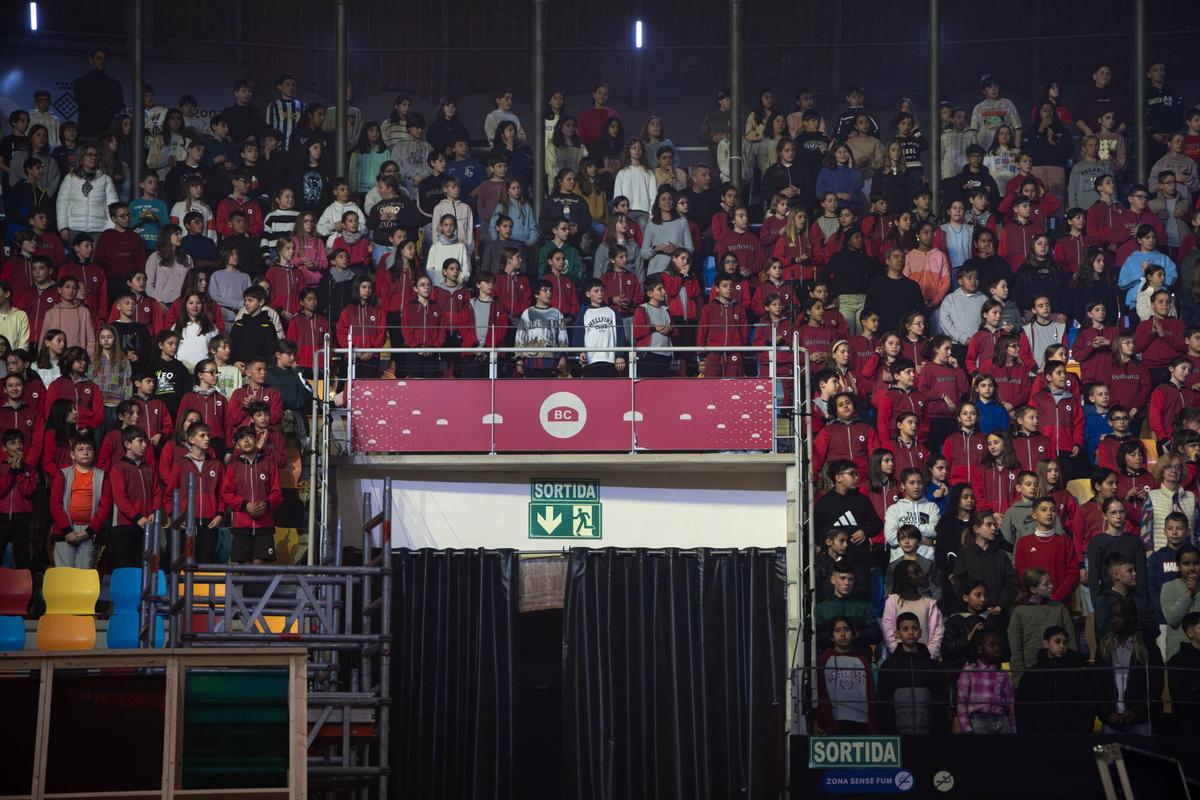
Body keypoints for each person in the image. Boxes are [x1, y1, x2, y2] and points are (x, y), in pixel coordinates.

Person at [1095, 596, 1164, 734]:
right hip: (1111, 721)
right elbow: (1097, 685)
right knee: (1111, 756)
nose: (1115, 620)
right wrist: (1107, 713)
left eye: (1120, 616)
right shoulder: (1104, 648)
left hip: (1141, 721)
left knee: (1141, 756)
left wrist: (1136, 712)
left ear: (1131, 618)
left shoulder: (1148, 647)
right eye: (1113, 616)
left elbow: (1155, 684)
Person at [101, 426, 162, 569]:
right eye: (140, 441)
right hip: (125, 527)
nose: (144, 445)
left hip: (146, 525)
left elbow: (157, 492)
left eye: (146, 441)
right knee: (125, 567)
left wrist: (154, 511)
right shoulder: (119, 468)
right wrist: (137, 517)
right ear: (127, 444)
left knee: (143, 567)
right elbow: (120, 499)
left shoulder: (148, 468)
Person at [222, 425, 283, 565]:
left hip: (264, 525)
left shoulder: (269, 465)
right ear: (237, 446)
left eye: (249, 437)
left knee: (259, 567)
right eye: (242, 439)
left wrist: (266, 504)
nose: (246, 441)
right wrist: (245, 505)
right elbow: (226, 493)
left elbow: (277, 493)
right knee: (244, 568)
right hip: (241, 526)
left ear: (257, 440)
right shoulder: (233, 467)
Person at [1014, 625, 1094, 732]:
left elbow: (1085, 705)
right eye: (1057, 641)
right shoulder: (1032, 674)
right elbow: (1023, 708)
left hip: (1071, 735)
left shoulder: (1075, 671)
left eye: (1065, 642)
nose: (1062, 646)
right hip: (1040, 736)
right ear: (1046, 643)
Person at [876, 612, 942, 734]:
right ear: (897, 633)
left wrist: (937, 731)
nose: (911, 632)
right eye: (905, 629)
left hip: (928, 733)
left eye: (915, 628)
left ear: (920, 632)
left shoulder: (932, 666)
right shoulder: (889, 666)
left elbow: (940, 702)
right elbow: (884, 705)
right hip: (897, 736)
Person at [48, 436, 109, 569]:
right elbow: (55, 505)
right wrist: (67, 531)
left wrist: (90, 530)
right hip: (65, 530)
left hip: (89, 531)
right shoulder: (62, 474)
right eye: (80, 449)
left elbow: (105, 507)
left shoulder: (102, 476)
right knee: (65, 573)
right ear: (72, 454)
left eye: (89, 449)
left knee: (84, 573)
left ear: (94, 453)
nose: (85, 452)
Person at [815, 617, 877, 734]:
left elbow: (870, 693)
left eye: (846, 629)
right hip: (836, 721)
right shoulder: (825, 659)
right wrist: (828, 723)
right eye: (837, 630)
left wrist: (872, 725)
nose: (843, 634)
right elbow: (822, 693)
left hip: (861, 720)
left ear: (853, 634)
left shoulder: (862, 660)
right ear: (831, 637)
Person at [953, 513, 1018, 613]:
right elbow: (959, 583)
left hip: (998, 614)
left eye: (994, 525)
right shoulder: (965, 555)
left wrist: (1002, 605)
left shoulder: (1001, 555)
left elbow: (1011, 583)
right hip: (972, 614)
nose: (994, 528)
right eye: (989, 525)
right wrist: (973, 605)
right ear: (976, 529)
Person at [956, 631, 1016, 733]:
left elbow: (1010, 705)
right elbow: (962, 703)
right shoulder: (969, 671)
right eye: (992, 645)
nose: (997, 648)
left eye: (998, 645)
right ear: (979, 649)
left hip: (1001, 720)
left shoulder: (1003, 674)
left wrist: (1013, 728)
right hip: (978, 721)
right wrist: (967, 729)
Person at [0, 430, 37, 569]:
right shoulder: (1, 466)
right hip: (1, 518)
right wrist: (11, 471)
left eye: (20, 442)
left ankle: (26, 589)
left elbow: (27, 491)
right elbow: (1, 490)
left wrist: (20, 469)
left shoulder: (30, 469)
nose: (17, 446)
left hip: (21, 519)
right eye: (12, 443)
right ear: (4, 447)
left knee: (22, 559)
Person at [1161, 545, 1200, 662]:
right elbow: (1172, 619)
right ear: (1178, 566)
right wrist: (1189, 593)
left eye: (1197, 563)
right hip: (1178, 654)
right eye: (1186, 564)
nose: (1192, 568)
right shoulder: (1169, 587)